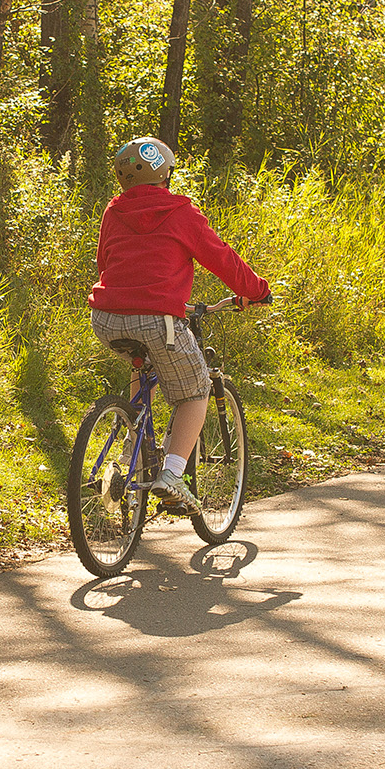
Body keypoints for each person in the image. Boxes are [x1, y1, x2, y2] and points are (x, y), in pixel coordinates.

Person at [87, 136, 269, 513]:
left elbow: (105, 262)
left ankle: (132, 453)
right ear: (164, 174)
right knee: (194, 391)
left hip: (105, 317)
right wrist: (256, 290)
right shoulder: (180, 211)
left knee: (145, 366)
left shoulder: (113, 210)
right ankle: (171, 475)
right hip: (158, 321)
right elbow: (221, 259)